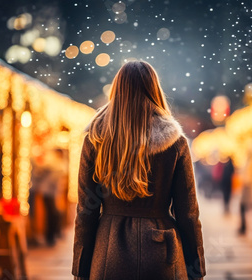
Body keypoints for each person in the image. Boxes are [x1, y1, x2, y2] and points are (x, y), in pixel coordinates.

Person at [72, 61, 206, 280]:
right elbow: (188, 213)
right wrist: (197, 269)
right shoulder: (175, 143)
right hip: (162, 252)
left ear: (116, 90)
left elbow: (86, 211)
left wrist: (80, 269)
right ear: (154, 90)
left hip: (108, 253)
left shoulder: (95, 140)